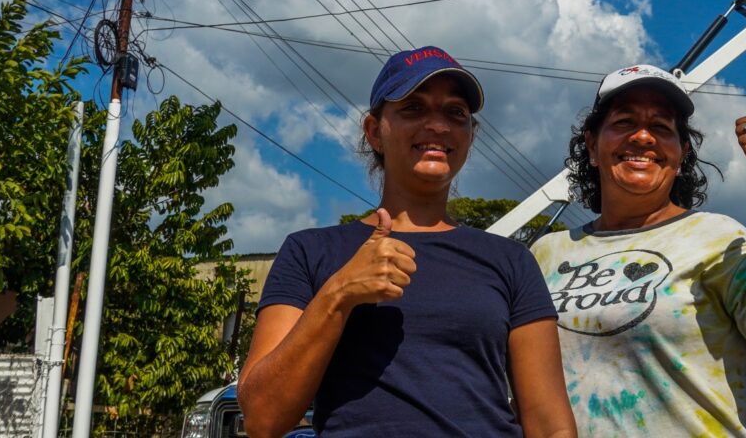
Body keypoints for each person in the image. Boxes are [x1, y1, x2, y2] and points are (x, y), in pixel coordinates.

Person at [238, 46, 577, 438]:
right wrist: (338, 294)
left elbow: (550, 425)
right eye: (413, 108)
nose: (437, 125)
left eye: (455, 113)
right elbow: (262, 419)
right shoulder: (309, 251)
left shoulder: (511, 261)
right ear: (373, 131)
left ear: (469, 135)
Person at [531, 64, 746, 437]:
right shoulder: (544, 254)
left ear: (681, 155)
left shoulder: (717, 238)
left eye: (662, 127)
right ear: (592, 146)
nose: (643, 136)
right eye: (624, 122)